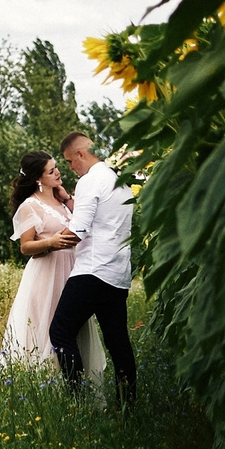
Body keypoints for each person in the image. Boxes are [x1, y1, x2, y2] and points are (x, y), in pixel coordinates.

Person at [0, 150, 103, 377]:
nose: (58, 172)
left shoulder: (62, 200)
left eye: (56, 167)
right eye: (51, 171)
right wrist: (51, 242)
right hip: (47, 272)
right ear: (38, 178)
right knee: (48, 325)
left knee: (73, 325)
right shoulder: (30, 206)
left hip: (72, 268)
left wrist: (67, 197)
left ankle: (79, 378)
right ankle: (48, 379)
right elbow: (25, 246)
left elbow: (87, 220)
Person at [49, 130, 138, 401]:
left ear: (80, 153)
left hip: (92, 270)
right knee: (118, 342)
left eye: (69, 161)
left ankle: (78, 401)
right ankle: (128, 409)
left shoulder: (90, 180)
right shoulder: (119, 181)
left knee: (60, 332)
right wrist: (67, 200)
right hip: (118, 274)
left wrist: (47, 243)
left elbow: (79, 229)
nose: (70, 168)